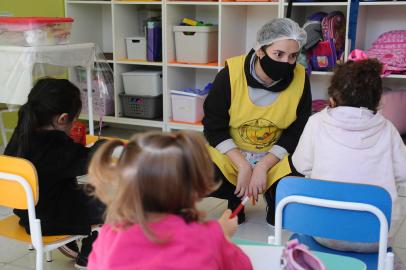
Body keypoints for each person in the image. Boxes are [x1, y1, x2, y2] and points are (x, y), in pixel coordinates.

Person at [87, 131, 253, 270]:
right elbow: (244, 267)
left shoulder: (110, 233)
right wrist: (224, 237)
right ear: (195, 190)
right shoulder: (209, 236)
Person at [291, 59, 406, 257]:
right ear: (378, 101)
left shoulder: (316, 123)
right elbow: (403, 174)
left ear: (332, 99)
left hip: (323, 231)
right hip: (376, 236)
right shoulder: (388, 129)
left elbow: (300, 165)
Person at [203, 18, 312, 224]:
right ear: (261, 50)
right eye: (278, 54)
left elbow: (298, 129)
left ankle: (273, 196)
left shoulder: (300, 78)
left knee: (293, 194)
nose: (286, 62)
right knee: (194, 175)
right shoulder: (230, 74)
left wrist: (262, 166)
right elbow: (213, 126)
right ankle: (234, 195)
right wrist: (243, 166)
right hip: (232, 154)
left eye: (293, 56)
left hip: (275, 156)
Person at [4, 78, 105, 269]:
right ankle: (88, 256)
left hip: (29, 213)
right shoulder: (56, 146)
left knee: (88, 190)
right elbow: (92, 161)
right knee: (117, 202)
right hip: (51, 218)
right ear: (62, 119)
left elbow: (61, 165)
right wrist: (101, 144)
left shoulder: (22, 133)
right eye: (74, 120)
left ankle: (69, 241)